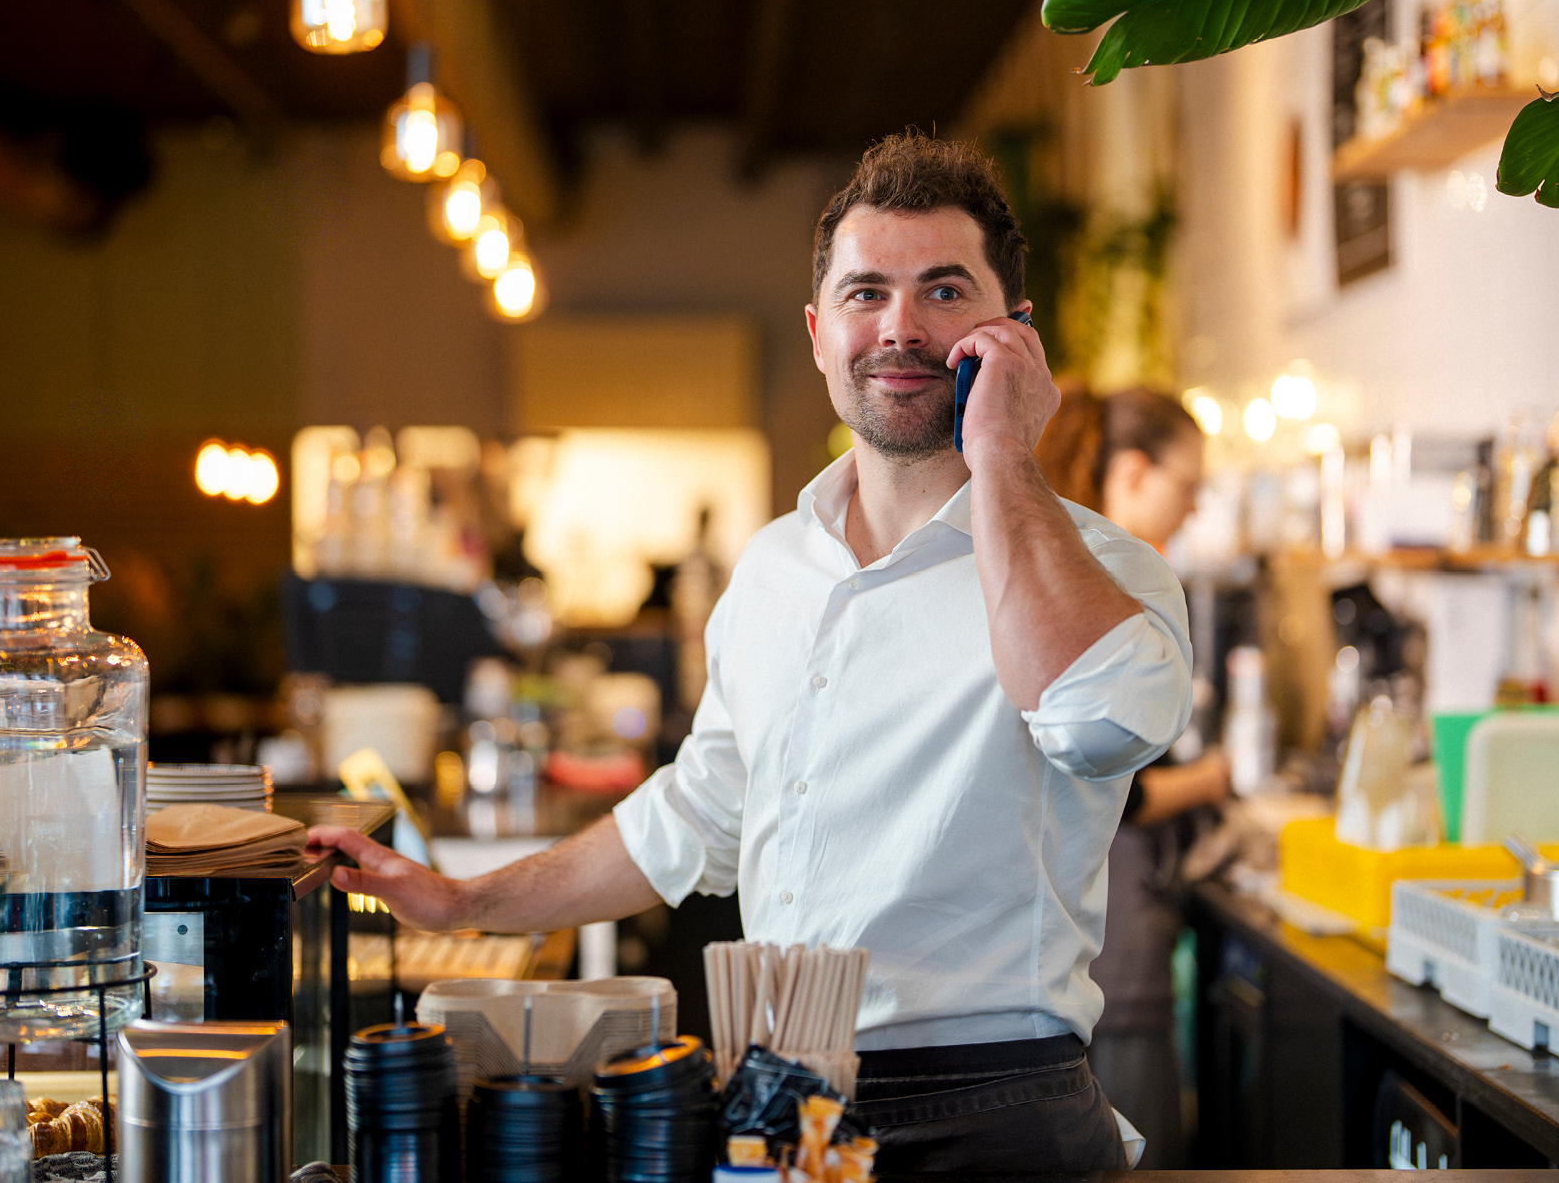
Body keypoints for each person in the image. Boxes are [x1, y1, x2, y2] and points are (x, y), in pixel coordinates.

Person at [306, 134, 1192, 1173]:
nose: (899, 326)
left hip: (989, 1105)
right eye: (866, 294)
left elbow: (1097, 721)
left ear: (1015, 335)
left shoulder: (1103, 564)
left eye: (944, 291)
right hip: (779, 1095)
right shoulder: (775, 565)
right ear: (821, 334)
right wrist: (469, 900)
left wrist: (1001, 448)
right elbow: (698, 809)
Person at [1052, 386, 1230, 1168]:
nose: (1192, 510)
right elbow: (1113, 783)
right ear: (1131, 473)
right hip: (1111, 943)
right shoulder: (1109, 583)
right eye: (1187, 487)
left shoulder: (1061, 568)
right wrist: (1215, 779)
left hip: (1084, 942)